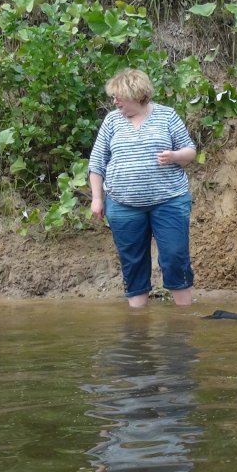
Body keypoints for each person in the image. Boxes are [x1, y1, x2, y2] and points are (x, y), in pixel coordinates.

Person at [88, 69, 197, 307]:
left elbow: (190, 151)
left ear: (137, 95)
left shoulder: (167, 116)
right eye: (113, 97)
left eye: (119, 96)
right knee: (133, 262)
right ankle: (137, 329)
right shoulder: (112, 121)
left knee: (175, 257)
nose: (114, 101)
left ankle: (184, 321)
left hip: (169, 201)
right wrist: (97, 198)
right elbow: (97, 162)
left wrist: (174, 155)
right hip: (122, 206)